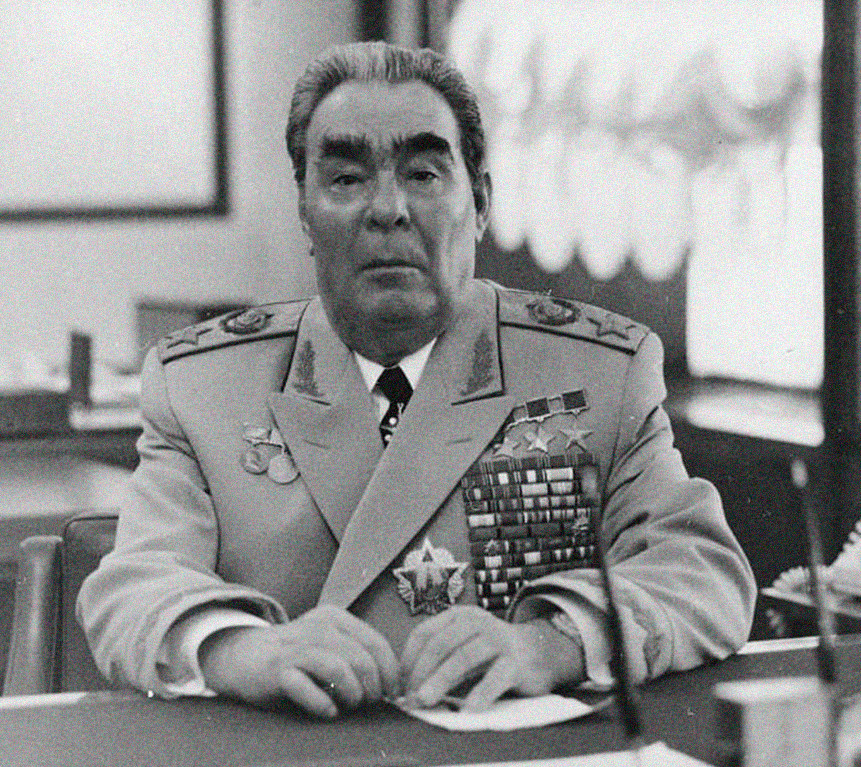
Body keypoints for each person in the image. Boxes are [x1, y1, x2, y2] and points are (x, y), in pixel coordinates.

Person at [78, 40, 756, 718]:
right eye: (347, 179)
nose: (387, 209)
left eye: (424, 174)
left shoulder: (601, 373)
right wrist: (244, 650)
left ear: (480, 202)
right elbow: (133, 588)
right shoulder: (203, 386)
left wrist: (550, 644)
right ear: (305, 213)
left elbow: (702, 575)